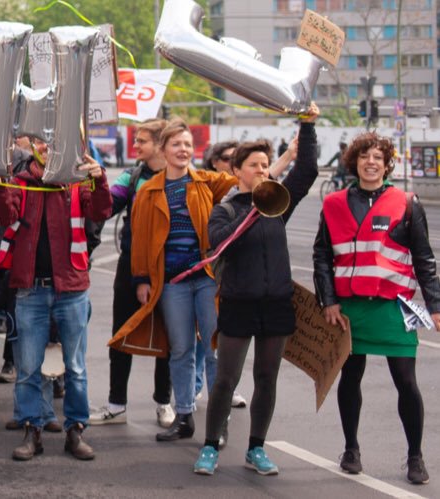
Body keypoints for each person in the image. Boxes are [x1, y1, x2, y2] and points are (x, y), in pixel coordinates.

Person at [192, 108, 320, 476]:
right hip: (238, 303)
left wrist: (307, 125)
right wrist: (252, 210)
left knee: (267, 378)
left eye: (266, 165)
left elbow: (307, 172)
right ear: (237, 171)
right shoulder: (226, 209)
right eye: (254, 165)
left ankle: (256, 448)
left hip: (276, 304)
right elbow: (219, 245)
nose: (262, 170)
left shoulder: (278, 205)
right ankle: (211, 446)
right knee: (225, 379)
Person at [316, 132, 440, 485]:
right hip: (349, 310)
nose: (371, 162)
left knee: (406, 382)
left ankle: (415, 456)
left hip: (393, 308)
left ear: (387, 165)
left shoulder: (407, 203)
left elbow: (424, 259)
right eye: (364, 156)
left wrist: (435, 306)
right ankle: (351, 448)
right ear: (354, 162)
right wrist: (328, 300)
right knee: (350, 377)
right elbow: (322, 255)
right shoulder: (335, 203)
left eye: (378, 157)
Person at [117, 122, 240, 444]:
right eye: (176, 145)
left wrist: (284, 160)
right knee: (181, 350)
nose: (183, 150)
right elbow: (140, 239)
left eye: (188, 144)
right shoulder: (148, 190)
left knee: (214, 348)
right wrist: (142, 279)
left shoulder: (208, 182)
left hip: (207, 280)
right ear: (164, 149)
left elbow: (247, 180)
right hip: (171, 284)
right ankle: (184, 415)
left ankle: (219, 419)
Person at [0, 137, 110, 461]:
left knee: (75, 367)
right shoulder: (20, 180)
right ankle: (33, 430)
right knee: (28, 368)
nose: (47, 147)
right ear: (34, 147)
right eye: (42, 142)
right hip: (30, 288)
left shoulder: (77, 180)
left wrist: (99, 178)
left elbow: (101, 210)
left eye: (55, 141)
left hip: (71, 289)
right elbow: (4, 216)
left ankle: (76, 431)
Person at [93, 119, 176, 429]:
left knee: (167, 338)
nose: (136, 145)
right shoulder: (133, 175)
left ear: (160, 144)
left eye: (142, 141)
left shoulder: (178, 177)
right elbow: (105, 207)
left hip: (169, 269)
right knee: (121, 334)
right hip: (130, 266)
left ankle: (163, 402)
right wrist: (97, 181)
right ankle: (116, 404)